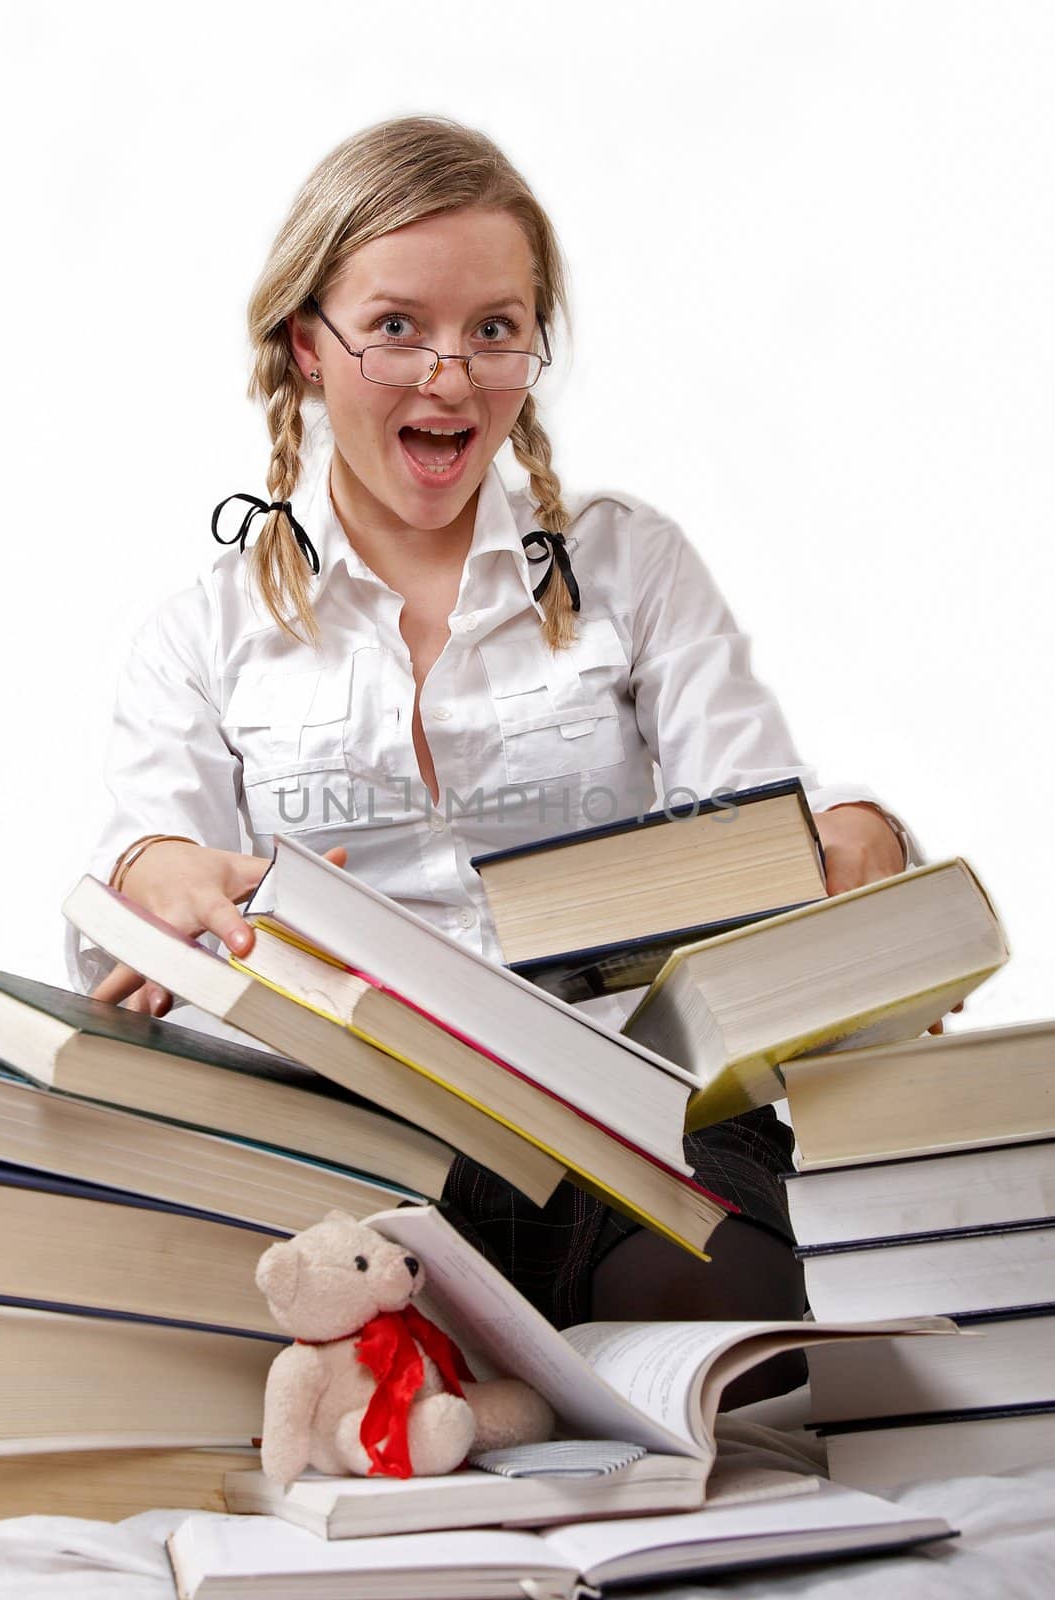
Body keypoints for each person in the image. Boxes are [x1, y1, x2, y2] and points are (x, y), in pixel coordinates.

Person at [66, 115, 940, 1399]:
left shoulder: (629, 563)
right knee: (268, 1343)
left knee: (726, 1347)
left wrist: (856, 833)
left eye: (494, 327)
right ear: (308, 343)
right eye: (398, 326)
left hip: (624, 1124)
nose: (450, 376)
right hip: (352, 1151)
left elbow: (755, 827)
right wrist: (150, 869)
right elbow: (134, 894)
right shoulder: (203, 630)